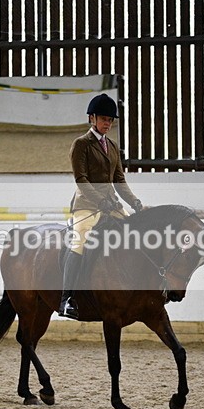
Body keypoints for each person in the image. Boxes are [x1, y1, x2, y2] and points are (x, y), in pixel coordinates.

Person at [58, 93, 143, 319]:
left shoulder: (113, 146)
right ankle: (66, 299)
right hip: (87, 205)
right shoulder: (81, 145)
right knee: (80, 241)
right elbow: (81, 180)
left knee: (134, 233)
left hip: (111, 204)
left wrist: (133, 201)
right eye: (104, 119)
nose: (108, 123)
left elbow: (119, 180)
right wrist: (100, 201)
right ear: (92, 118)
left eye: (110, 120)